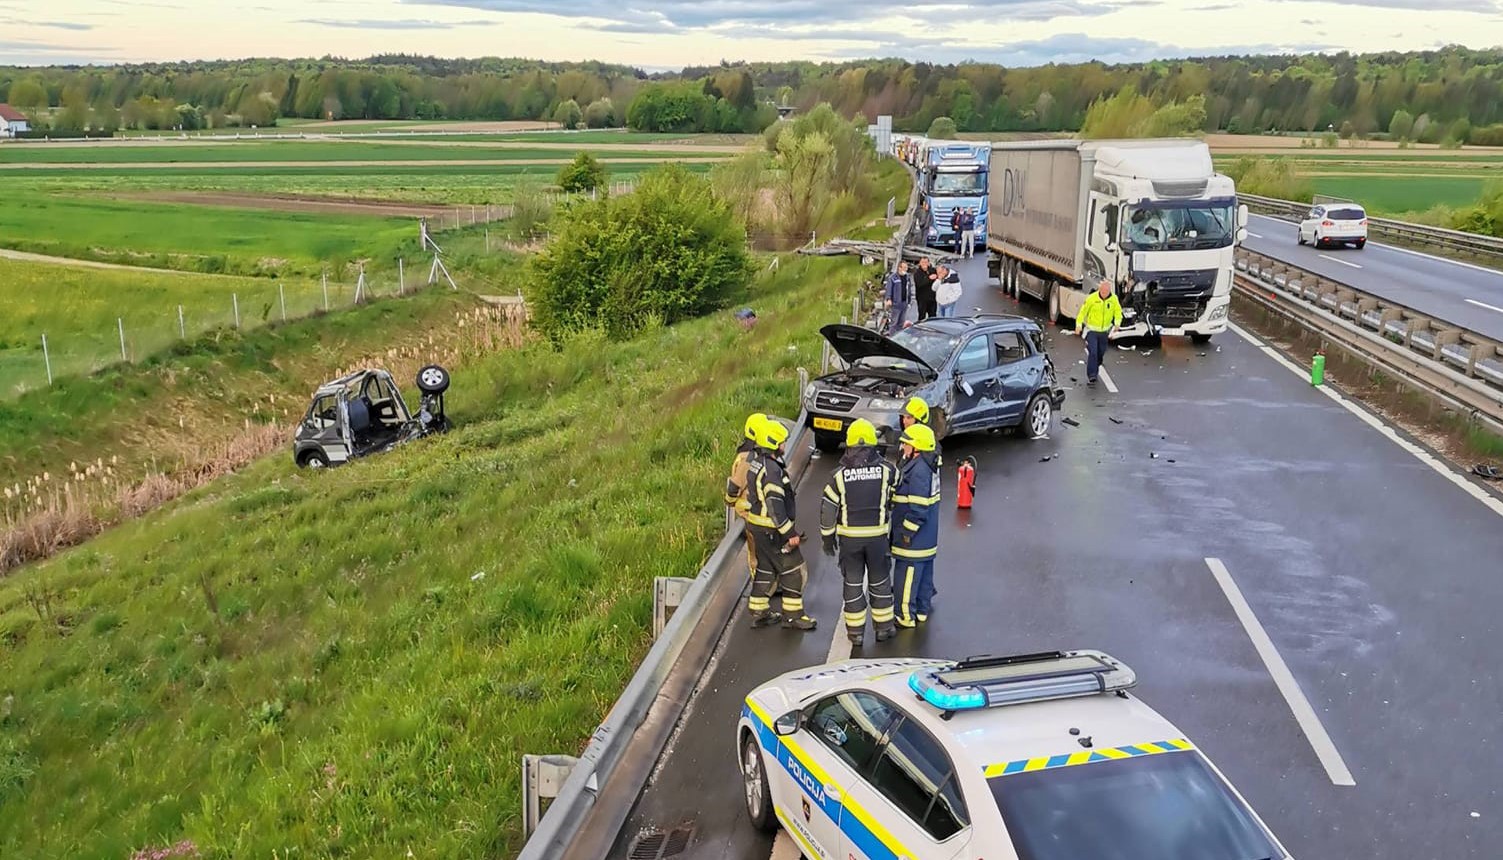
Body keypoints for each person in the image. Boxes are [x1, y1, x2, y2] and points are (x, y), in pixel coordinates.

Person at [819, 419, 898, 647]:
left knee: (852, 584)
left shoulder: (838, 476)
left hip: (850, 542)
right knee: (880, 581)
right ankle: (884, 628)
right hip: (878, 540)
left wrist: (827, 537)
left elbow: (827, 510)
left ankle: (856, 634)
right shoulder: (887, 471)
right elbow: (896, 492)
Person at [744, 418, 818, 632]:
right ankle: (793, 616)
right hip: (772, 530)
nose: (785, 445)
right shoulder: (772, 472)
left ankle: (759, 611)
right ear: (775, 444)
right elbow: (775, 506)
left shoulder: (759, 462)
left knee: (766, 569)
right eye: (782, 442)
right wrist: (789, 534)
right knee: (794, 570)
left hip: (758, 527)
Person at [891, 423, 941, 627]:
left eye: (906, 445)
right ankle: (921, 610)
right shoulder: (929, 465)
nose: (903, 448)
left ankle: (905, 616)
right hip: (926, 539)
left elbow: (919, 508)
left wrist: (906, 532)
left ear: (917, 448)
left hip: (914, 540)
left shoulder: (919, 470)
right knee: (924, 577)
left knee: (908, 577)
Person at [725, 412, 766, 583]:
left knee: (755, 552)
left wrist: (729, 500)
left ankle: (761, 584)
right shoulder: (765, 454)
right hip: (764, 511)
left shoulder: (746, 457)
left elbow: (735, 485)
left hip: (750, 513)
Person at [1075, 278, 1123, 386]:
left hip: (1104, 331)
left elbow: (1118, 312)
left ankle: (1098, 362)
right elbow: (1082, 313)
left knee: (1101, 352)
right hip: (1092, 331)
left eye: (1107, 292)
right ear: (1099, 290)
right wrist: (1078, 326)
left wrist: (1117, 323)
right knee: (1093, 352)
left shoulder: (1114, 299)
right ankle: (1092, 375)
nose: (1105, 294)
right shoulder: (1092, 299)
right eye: (1103, 291)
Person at [883, 260, 913, 335]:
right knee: (894, 323)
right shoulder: (893, 278)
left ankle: (898, 338)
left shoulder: (907, 277)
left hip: (904, 304)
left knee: (901, 323)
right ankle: (892, 337)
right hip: (896, 304)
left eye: (907, 267)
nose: (906, 269)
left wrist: (909, 301)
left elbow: (909, 290)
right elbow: (889, 289)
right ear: (899, 268)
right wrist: (889, 299)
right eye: (904, 267)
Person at [912, 257, 936, 321]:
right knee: (922, 316)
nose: (924, 264)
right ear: (920, 263)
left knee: (933, 317)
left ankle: (932, 330)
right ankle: (920, 330)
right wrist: (929, 278)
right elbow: (919, 284)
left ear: (928, 263)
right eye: (922, 262)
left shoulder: (933, 270)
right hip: (922, 299)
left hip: (932, 299)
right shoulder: (917, 273)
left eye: (926, 262)